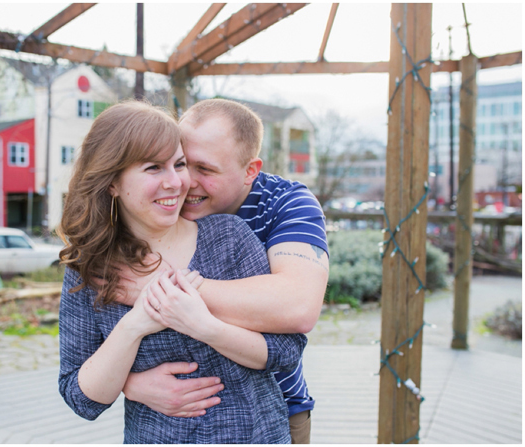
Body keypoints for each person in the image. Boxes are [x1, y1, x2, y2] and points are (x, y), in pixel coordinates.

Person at [55, 101, 305, 443]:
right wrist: (134, 327)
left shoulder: (228, 237)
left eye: (179, 164)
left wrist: (203, 326)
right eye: (154, 168)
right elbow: (80, 396)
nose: (176, 182)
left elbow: (287, 351)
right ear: (112, 182)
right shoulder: (92, 267)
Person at [114, 99, 327, 443]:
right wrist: (128, 382)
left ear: (250, 171)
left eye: (206, 170)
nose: (183, 182)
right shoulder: (163, 200)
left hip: (273, 413)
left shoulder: (288, 204)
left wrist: (157, 290)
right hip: (170, 420)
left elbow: (298, 307)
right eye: (181, 162)